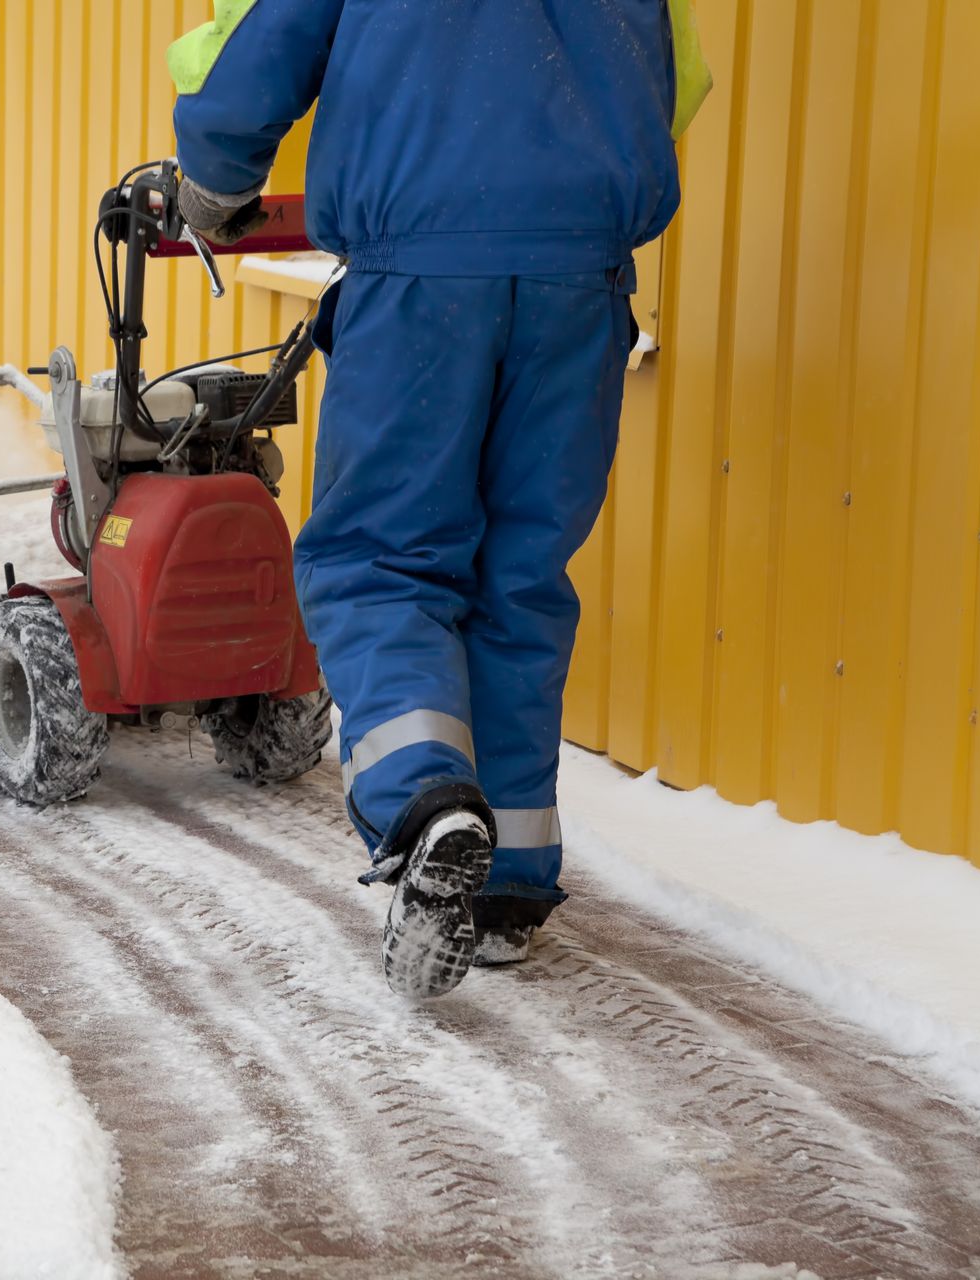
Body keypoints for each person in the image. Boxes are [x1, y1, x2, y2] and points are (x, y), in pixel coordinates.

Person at [168, 0, 711, 999]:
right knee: (519, 578)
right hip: (581, 283)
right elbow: (677, 81)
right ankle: (506, 887)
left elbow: (253, 54)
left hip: (420, 274)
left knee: (380, 560)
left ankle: (425, 802)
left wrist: (215, 178)